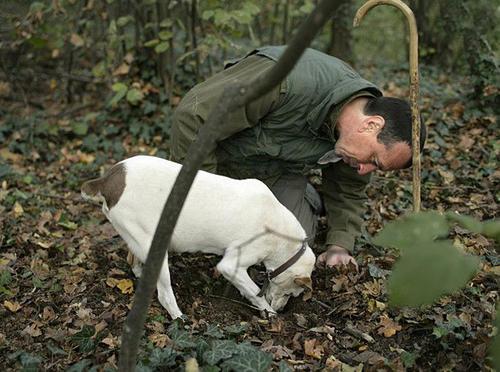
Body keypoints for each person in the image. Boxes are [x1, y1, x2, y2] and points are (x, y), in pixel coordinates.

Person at [170, 45, 426, 269]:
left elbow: (349, 189)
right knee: (204, 235)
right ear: (371, 125)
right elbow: (194, 116)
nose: (364, 170)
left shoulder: (352, 144)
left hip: (275, 173)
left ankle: (306, 200)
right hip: (219, 167)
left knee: (294, 245)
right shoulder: (287, 79)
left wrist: (339, 246)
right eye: (374, 160)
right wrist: (205, 195)